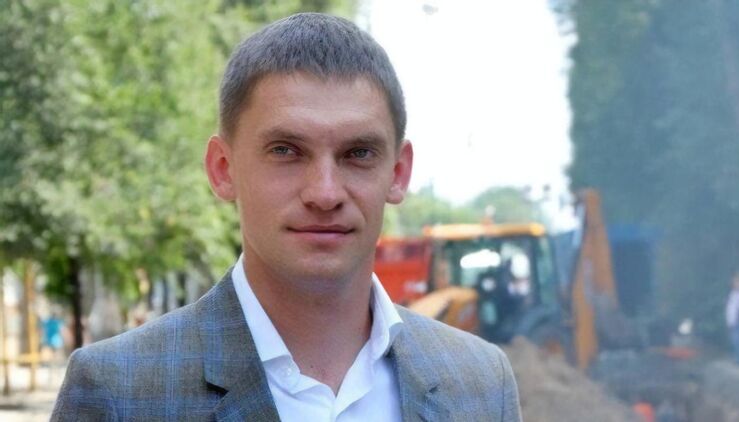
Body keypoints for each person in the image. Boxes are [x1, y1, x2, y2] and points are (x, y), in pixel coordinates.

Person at [51, 13, 521, 421]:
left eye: (358, 153)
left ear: (398, 174)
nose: (325, 193)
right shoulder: (118, 392)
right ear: (223, 169)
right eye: (286, 150)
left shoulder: (481, 382)